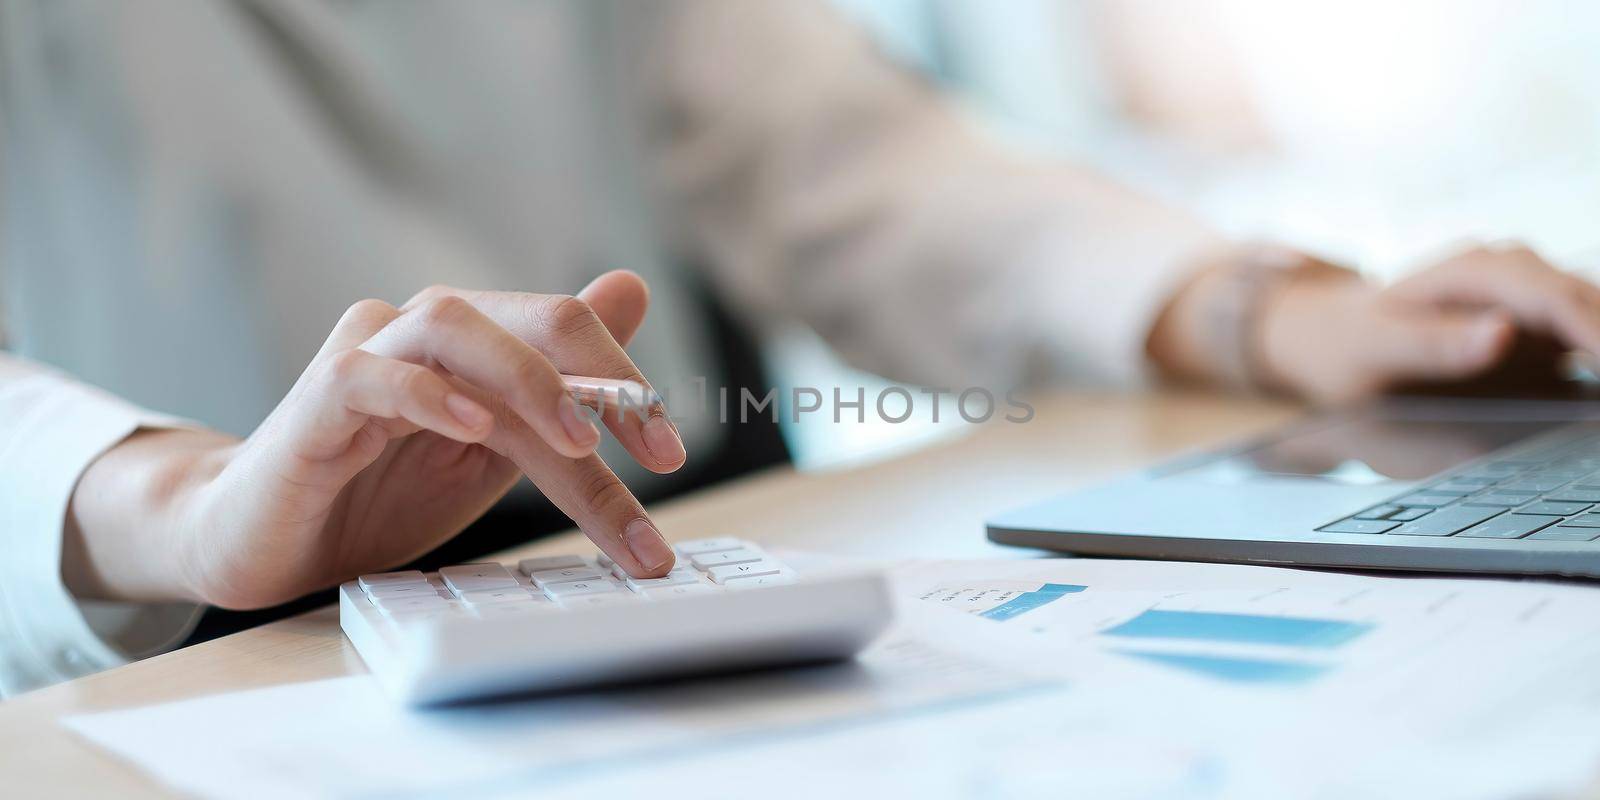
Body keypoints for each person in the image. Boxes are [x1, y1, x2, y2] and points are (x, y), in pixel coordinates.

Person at [2, 0, 1598, 697]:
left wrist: (1263, 307)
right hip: (179, 620)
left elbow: (842, 155)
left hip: (657, 528)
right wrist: (172, 502)